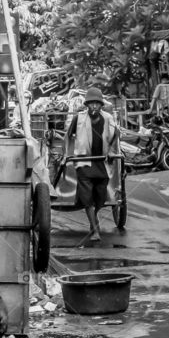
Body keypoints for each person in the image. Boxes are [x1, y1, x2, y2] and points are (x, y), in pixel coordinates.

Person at [66, 88, 122, 242]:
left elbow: (117, 133)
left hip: (102, 162)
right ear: (87, 105)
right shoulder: (79, 118)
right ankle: (95, 229)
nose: (94, 107)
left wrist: (111, 149)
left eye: (97, 104)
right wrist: (68, 153)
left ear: (101, 105)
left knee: (101, 197)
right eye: (91, 104)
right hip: (84, 162)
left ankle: (94, 219)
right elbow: (69, 136)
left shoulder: (108, 118)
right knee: (87, 197)